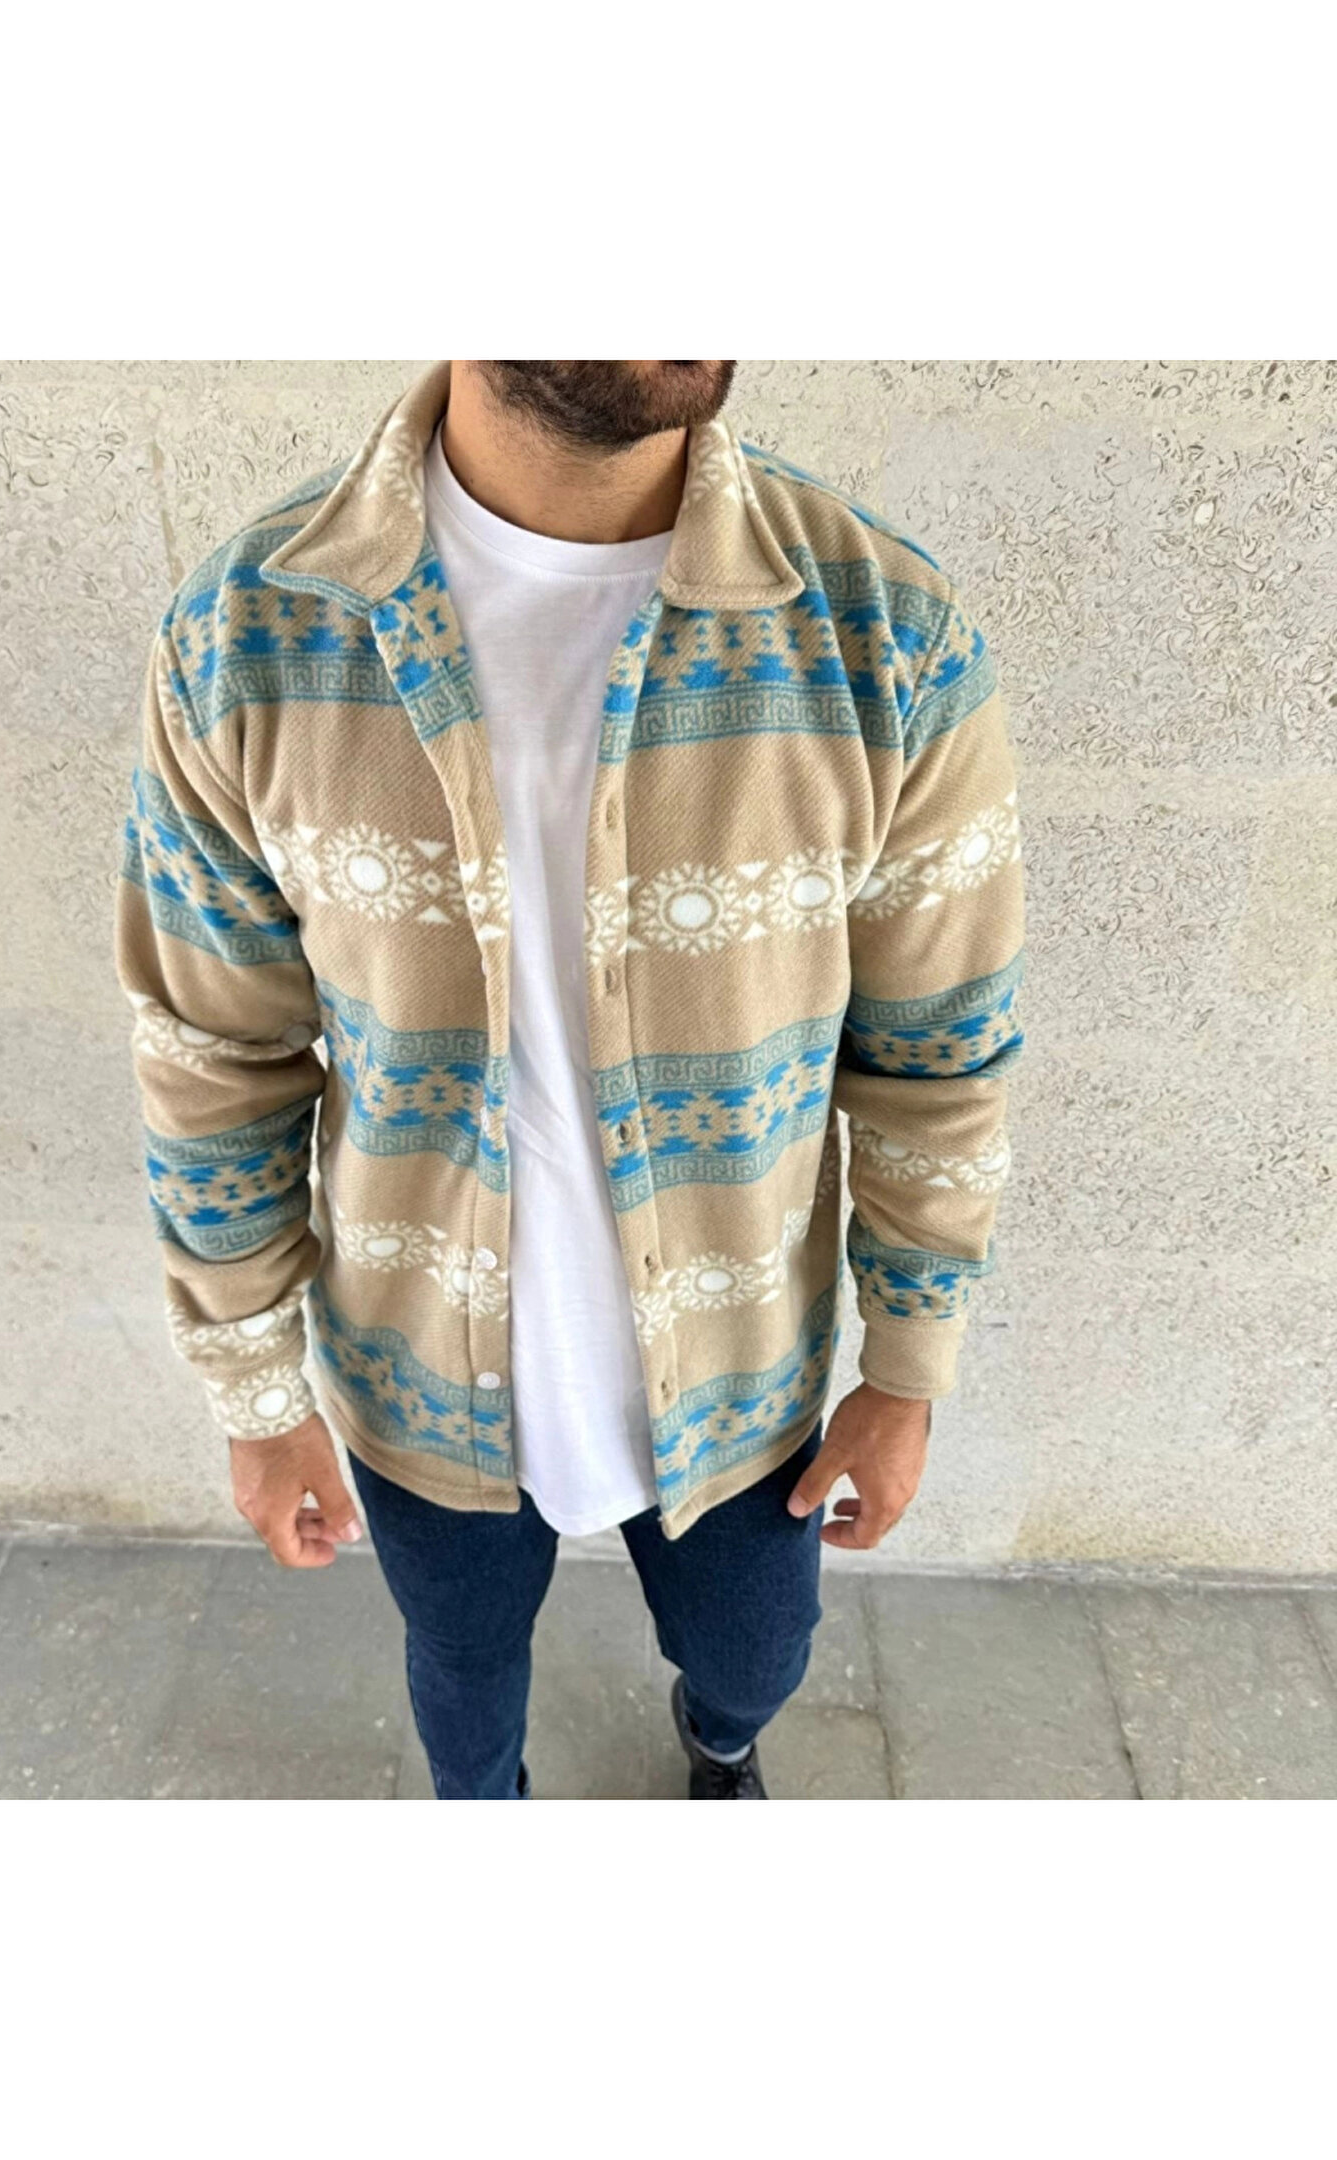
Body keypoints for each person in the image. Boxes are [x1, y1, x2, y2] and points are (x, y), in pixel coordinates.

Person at [113, 360, 1026, 1799]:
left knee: (756, 1657)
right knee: (462, 1671)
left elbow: (938, 1056)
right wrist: (256, 1391)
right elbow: (215, 1056)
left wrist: (908, 1367)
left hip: (744, 1380)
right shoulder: (249, 634)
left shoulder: (883, 632)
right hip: (416, 1374)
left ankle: (719, 1742)